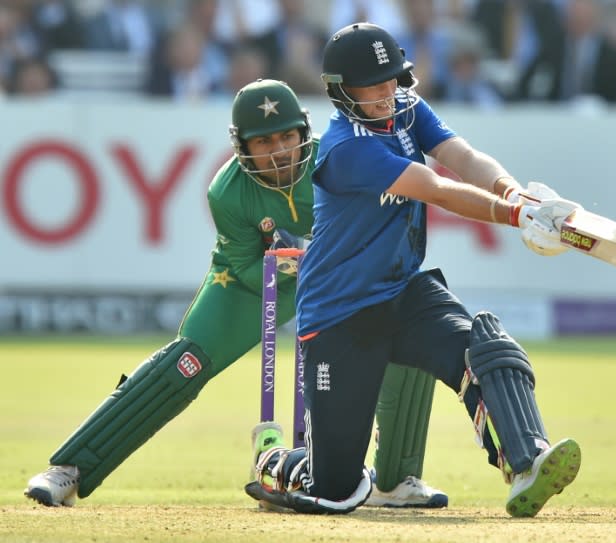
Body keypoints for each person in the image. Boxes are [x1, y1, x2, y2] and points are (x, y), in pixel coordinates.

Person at [24, 79, 447, 509]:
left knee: (405, 321)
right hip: (253, 283)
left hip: (343, 278)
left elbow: (395, 225)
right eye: (263, 141)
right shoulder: (227, 191)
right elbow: (246, 266)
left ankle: (395, 481)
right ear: (241, 146)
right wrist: (296, 261)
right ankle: (70, 469)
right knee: (183, 363)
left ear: (305, 131)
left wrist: (331, 262)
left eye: (287, 136)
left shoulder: (341, 158)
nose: (279, 150)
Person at [245, 22, 582, 517]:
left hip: (402, 292)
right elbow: (437, 188)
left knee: (483, 347)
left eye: (394, 80)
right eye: (375, 86)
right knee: (336, 489)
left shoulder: (406, 110)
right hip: (339, 317)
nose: (389, 94)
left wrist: (515, 193)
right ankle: (275, 457)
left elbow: (460, 156)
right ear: (343, 92)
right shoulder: (345, 150)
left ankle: (526, 462)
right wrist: (514, 218)